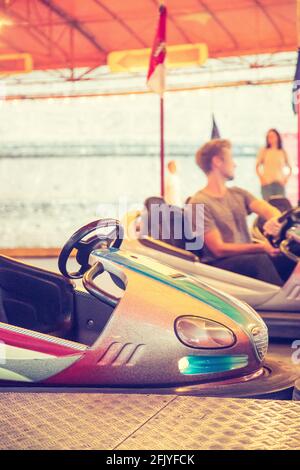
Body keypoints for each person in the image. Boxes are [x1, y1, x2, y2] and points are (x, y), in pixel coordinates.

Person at [189, 138, 296, 286]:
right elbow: (218, 249)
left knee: (287, 257)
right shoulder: (198, 203)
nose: (234, 164)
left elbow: (267, 208)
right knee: (261, 260)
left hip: (246, 258)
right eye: (230, 158)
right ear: (217, 161)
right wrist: (261, 247)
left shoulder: (238, 193)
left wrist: (275, 220)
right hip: (220, 265)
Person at [256, 129, 292, 200]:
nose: (271, 138)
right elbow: (257, 167)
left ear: (277, 137)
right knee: (268, 207)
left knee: (280, 207)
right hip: (267, 184)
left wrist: (286, 179)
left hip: (279, 183)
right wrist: (261, 179)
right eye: (269, 137)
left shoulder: (282, 152)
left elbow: (290, 168)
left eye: (272, 136)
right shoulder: (264, 151)